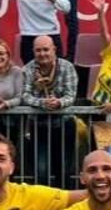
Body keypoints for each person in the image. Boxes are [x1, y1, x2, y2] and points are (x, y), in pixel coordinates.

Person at [20, 36, 80, 183]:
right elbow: (24, 96)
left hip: (64, 125)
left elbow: (71, 95)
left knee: (63, 169)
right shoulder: (28, 69)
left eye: (46, 49)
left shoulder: (67, 67)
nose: (42, 54)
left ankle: (64, 203)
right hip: (38, 126)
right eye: (38, 50)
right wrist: (42, 103)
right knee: (41, 170)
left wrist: (58, 103)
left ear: (54, 49)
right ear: (33, 51)